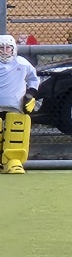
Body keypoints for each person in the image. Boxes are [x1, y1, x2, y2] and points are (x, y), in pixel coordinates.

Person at [0, 34, 40, 174]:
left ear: (14, 49)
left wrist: (30, 95)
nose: (5, 51)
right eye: (1, 48)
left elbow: (33, 79)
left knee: (16, 131)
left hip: (16, 106)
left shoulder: (22, 63)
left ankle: (13, 160)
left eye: (8, 48)